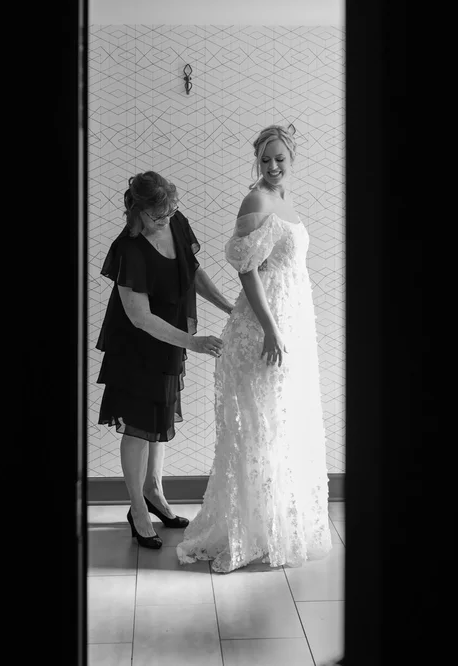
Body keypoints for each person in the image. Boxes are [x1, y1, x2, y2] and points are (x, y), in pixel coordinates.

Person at [176, 124, 333, 572]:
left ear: (292, 157)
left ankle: (273, 530)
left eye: (279, 158)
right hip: (264, 330)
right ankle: (243, 539)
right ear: (257, 161)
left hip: (291, 326)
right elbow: (248, 272)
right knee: (258, 429)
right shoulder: (256, 201)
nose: (272, 167)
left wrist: (289, 329)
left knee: (281, 428)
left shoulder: (286, 201)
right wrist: (270, 328)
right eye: (265, 160)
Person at [96, 171, 236, 549]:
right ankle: (137, 509)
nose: (167, 219)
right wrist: (192, 341)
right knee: (138, 428)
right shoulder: (128, 249)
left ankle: (154, 493)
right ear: (139, 211)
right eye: (159, 215)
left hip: (169, 336)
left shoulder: (175, 220)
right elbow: (139, 318)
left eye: (171, 211)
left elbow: (193, 272)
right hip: (136, 346)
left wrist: (230, 307)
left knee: (159, 416)